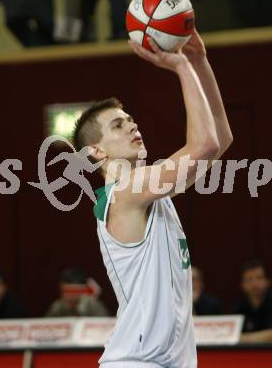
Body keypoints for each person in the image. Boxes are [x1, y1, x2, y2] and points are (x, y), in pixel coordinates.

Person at [73, 30, 233, 367]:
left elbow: (219, 139)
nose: (132, 126)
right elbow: (203, 145)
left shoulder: (148, 191)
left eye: (131, 120)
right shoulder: (126, 193)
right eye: (118, 126)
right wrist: (180, 65)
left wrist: (199, 61)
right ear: (96, 151)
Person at [231, 260, 272, 342]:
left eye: (259, 278)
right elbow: (231, 334)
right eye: (249, 279)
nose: (254, 283)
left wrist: (244, 338)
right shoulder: (239, 305)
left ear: (268, 281)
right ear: (242, 285)